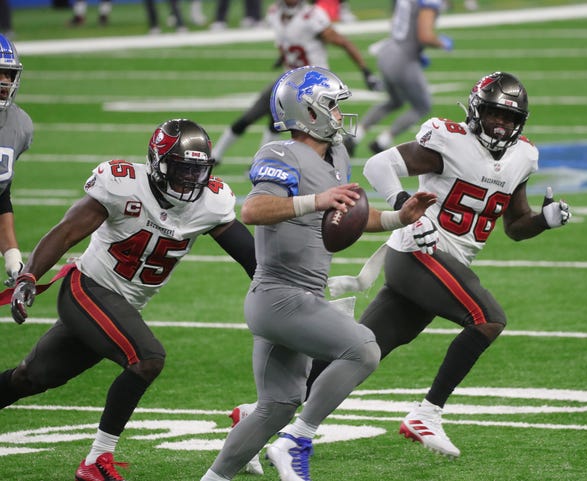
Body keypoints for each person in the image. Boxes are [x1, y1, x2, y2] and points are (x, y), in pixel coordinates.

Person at [307, 71, 572, 459]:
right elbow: (378, 165)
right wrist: (405, 208)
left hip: (439, 266)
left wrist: (543, 221)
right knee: (488, 318)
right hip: (418, 253)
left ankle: (263, 414)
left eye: (511, 119)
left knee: (359, 351)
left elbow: (514, 226)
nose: (503, 125)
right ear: (477, 111)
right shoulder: (449, 140)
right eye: (496, 114)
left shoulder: (523, 157)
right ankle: (426, 414)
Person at [199, 65, 436, 481]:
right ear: (307, 111)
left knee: (276, 405)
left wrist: (400, 217)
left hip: (301, 297)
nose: (340, 115)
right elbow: (253, 210)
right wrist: (316, 199)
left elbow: (350, 214)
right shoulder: (279, 153)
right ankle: (298, 440)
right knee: (363, 348)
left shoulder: (338, 154)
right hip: (278, 295)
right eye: (332, 106)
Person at [1, 119, 256, 481]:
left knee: (31, 378)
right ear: (157, 163)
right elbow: (68, 230)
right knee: (147, 359)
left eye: (197, 171)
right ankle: (96, 460)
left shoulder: (212, 203)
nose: (190, 180)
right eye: (181, 170)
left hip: (120, 307)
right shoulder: (122, 183)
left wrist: (280, 286)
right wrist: (29, 274)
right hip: (86, 290)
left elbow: (251, 257)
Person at [210, 0, 381, 162]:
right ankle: (218, 157)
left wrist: (365, 71)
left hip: (313, 86)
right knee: (251, 117)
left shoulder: (312, 16)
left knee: (313, 133)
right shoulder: (275, 13)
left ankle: (268, 162)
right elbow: (290, 43)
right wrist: (284, 57)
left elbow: (343, 42)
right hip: (289, 80)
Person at [344, 0, 453, 157]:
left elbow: (396, 22)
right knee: (422, 106)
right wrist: (442, 43)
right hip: (404, 59)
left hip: (388, 51)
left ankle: (355, 136)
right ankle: (382, 141)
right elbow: (425, 36)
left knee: (394, 101)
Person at [0, 35, 33, 287]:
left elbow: (1, 195)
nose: (5, 81)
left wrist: (14, 262)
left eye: (9, 74)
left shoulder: (19, 125)